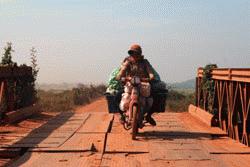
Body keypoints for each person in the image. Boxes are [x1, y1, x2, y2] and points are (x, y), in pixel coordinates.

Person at [115, 44, 157, 126]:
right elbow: (121, 72)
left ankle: (148, 116)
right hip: (130, 84)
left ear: (140, 54)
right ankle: (122, 116)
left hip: (143, 84)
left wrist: (150, 77)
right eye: (132, 53)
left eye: (136, 53)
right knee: (117, 96)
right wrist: (121, 77)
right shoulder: (128, 62)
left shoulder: (145, 62)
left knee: (155, 97)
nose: (134, 55)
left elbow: (150, 73)